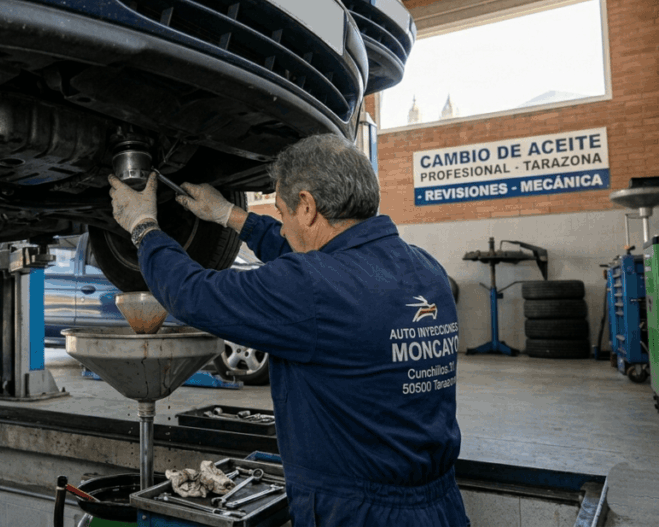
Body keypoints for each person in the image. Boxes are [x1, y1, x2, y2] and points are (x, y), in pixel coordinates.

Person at [107, 134, 469, 527]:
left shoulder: (314, 288)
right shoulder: (425, 270)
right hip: (440, 506)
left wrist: (143, 227)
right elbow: (322, 269)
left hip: (357, 514)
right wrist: (229, 214)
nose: (280, 229)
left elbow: (194, 295)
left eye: (282, 214)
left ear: (308, 207)